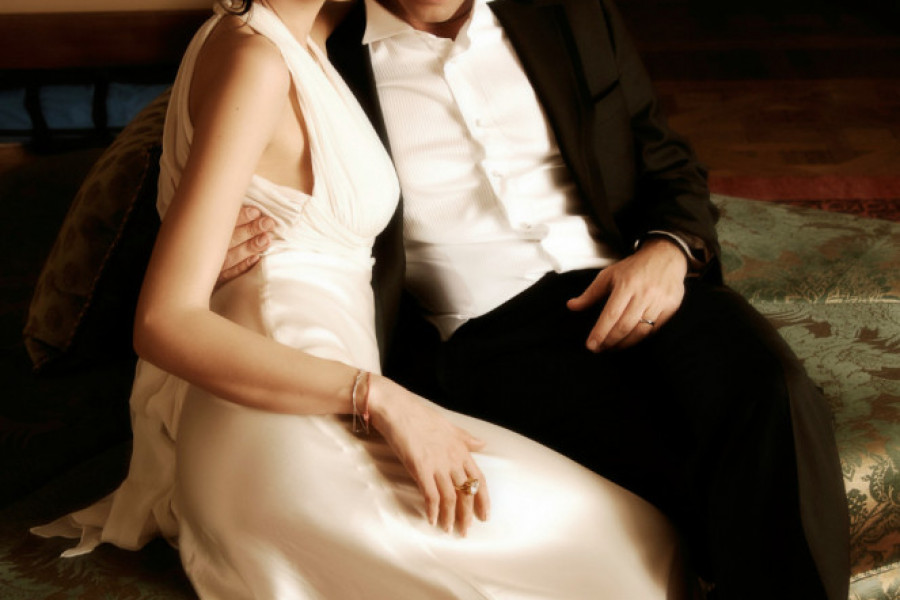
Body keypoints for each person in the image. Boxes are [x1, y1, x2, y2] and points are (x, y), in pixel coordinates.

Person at [33, 0, 690, 598]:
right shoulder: (254, 59)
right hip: (285, 420)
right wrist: (383, 399)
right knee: (619, 547)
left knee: (633, 534)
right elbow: (162, 321)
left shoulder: (316, 36)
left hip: (330, 383)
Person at [221, 0, 852, 597]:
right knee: (681, 462)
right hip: (481, 333)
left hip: (629, 281)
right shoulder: (321, 47)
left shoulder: (570, 11)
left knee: (774, 392)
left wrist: (669, 248)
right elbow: (221, 143)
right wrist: (215, 240)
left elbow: (663, 155)